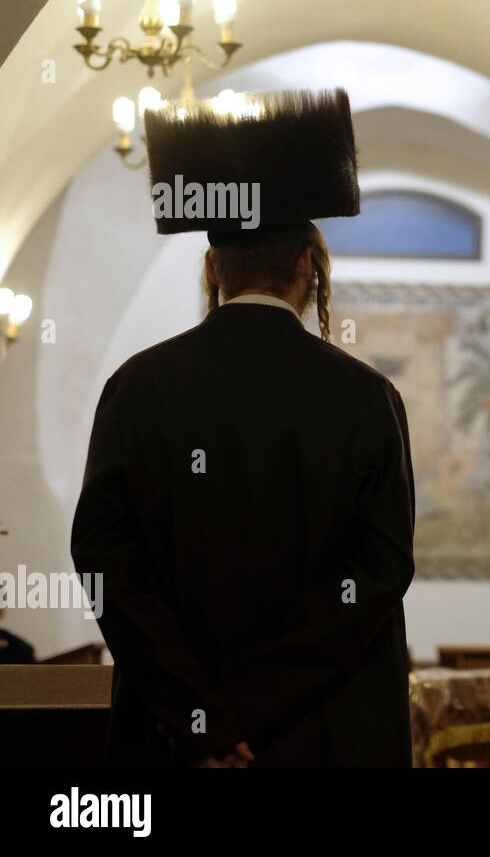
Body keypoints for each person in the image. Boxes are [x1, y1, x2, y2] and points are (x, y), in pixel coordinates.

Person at [71, 89, 415, 767]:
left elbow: (107, 566)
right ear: (307, 268)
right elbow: (376, 577)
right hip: (323, 739)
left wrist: (205, 718)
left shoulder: (137, 389)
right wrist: (251, 705)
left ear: (211, 268)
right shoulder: (368, 399)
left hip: (175, 742)